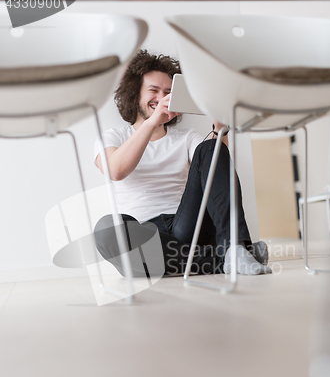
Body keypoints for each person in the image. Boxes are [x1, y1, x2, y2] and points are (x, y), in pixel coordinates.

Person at [93, 50, 271, 277]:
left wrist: (219, 128)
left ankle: (233, 247)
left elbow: (214, 163)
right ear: (134, 94)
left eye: (168, 92)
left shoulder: (186, 137)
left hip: (188, 225)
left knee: (210, 149)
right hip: (146, 234)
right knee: (107, 230)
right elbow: (115, 171)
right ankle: (224, 257)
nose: (162, 97)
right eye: (153, 91)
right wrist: (153, 121)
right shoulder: (114, 136)